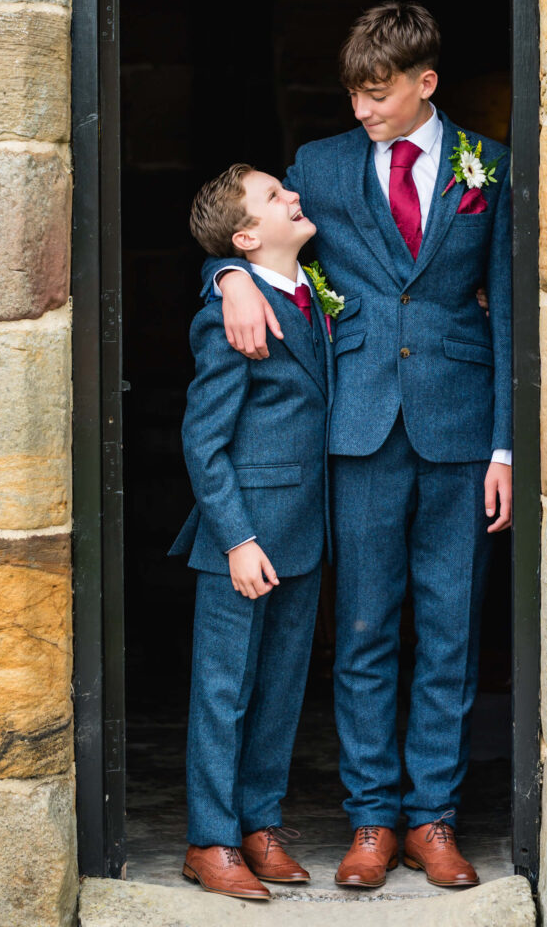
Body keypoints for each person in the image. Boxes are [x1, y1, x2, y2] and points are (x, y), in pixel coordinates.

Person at [211, 1, 512, 889]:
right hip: (356, 430)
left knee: (451, 631)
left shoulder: (488, 167)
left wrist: (504, 448)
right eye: (354, 94)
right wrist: (225, 274)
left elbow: (512, 308)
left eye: (378, 96)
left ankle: (434, 818)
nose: (362, 112)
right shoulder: (320, 167)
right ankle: (373, 819)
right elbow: (252, 239)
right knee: (366, 630)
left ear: (426, 83)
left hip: (462, 434)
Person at [169, 163, 333, 900]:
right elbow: (204, 440)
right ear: (243, 236)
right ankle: (210, 837)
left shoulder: (313, 292)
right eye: (275, 196)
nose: (293, 196)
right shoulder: (229, 308)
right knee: (223, 690)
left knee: (280, 689)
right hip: (244, 538)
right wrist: (236, 538)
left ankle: (258, 824)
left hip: (304, 528)